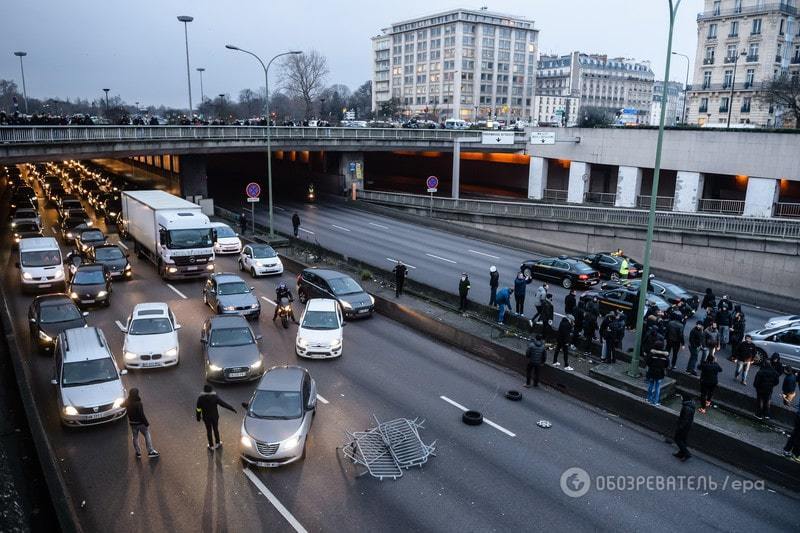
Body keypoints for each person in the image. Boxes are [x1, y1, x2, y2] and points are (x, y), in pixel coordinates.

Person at [196, 384, 237, 450]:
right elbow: (223, 404)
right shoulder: (215, 397)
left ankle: (211, 446)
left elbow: (198, 409)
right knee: (215, 429)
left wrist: (198, 417)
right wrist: (232, 408)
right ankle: (218, 443)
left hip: (206, 418)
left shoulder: (200, 398)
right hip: (215, 417)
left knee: (209, 431)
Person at [123, 388, 159, 458]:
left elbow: (121, 405)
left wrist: (126, 400)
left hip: (132, 423)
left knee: (135, 437)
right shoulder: (138, 403)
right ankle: (150, 451)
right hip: (140, 423)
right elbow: (141, 415)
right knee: (147, 434)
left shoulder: (127, 402)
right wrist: (146, 423)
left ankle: (138, 453)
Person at [645, 341, 669, 405]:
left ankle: (648, 398)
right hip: (660, 373)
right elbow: (667, 364)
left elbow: (648, 362)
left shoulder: (652, 354)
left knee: (651, 384)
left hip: (652, 371)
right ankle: (655, 401)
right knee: (657, 387)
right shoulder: (665, 356)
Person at [673, 394, 696, 461]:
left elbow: (684, 419)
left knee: (677, 439)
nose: (681, 398)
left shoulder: (686, 408)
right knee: (682, 440)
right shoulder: (690, 405)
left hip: (684, 427)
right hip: (687, 426)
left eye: (682, 397)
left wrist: (680, 427)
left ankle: (687, 453)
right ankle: (681, 453)